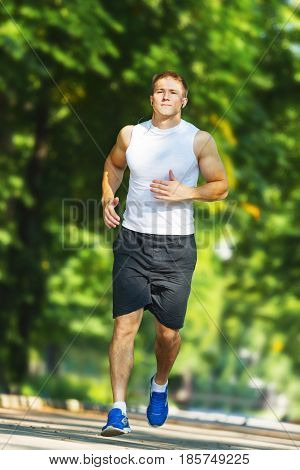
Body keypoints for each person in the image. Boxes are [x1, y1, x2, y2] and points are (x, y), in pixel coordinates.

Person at [100, 71, 229, 437]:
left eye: (174, 92)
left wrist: (185, 192)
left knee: (168, 334)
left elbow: (220, 187)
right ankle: (118, 409)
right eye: (160, 91)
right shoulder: (131, 134)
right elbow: (113, 166)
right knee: (124, 326)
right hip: (132, 242)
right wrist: (108, 197)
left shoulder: (198, 140)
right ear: (151, 98)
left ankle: (159, 383)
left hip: (176, 247)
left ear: (184, 100)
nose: (166, 96)